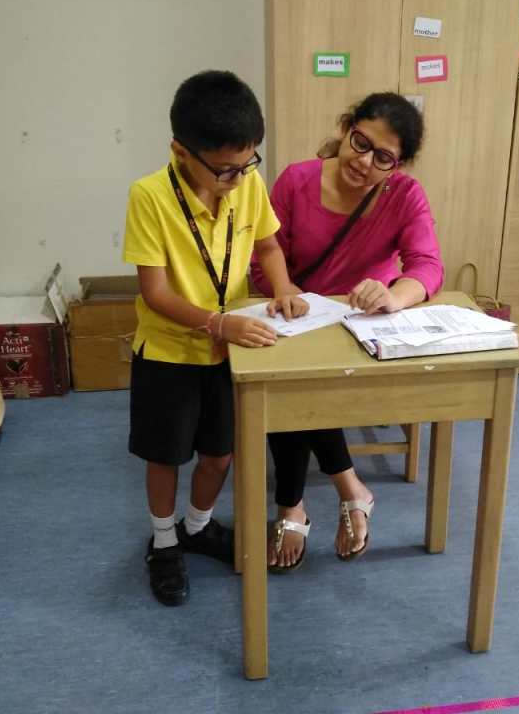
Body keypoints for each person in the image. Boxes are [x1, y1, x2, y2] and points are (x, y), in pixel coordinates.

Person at [124, 70, 308, 605]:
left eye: (248, 163)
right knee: (166, 456)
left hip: (229, 351)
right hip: (168, 352)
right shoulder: (149, 196)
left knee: (219, 455)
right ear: (180, 151)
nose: (238, 177)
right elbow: (155, 292)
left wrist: (284, 287)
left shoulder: (247, 184)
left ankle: (198, 527)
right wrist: (217, 322)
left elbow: (268, 247)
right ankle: (163, 542)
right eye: (225, 168)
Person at [251, 92, 444, 572]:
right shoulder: (297, 180)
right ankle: (349, 490)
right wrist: (286, 291)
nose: (364, 162)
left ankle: (291, 507)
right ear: (345, 128)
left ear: (398, 166)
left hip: (357, 327)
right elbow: (263, 259)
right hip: (296, 317)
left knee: (300, 388)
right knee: (295, 381)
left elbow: (427, 265)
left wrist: (394, 296)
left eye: (383, 158)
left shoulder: (404, 195)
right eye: (360, 142)